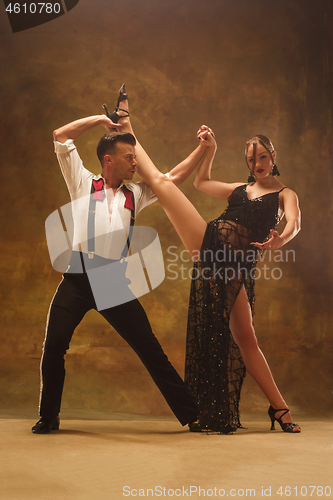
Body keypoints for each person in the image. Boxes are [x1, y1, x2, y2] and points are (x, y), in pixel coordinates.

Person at [117, 89, 301, 434]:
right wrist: (210, 150)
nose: (256, 164)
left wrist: (282, 239)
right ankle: (126, 126)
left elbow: (294, 222)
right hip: (211, 245)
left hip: (237, 267)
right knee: (159, 181)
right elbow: (201, 182)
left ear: (273, 155)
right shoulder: (240, 188)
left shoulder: (284, 194)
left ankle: (279, 408)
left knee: (246, 338)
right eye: (250, 160)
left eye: (261, 157)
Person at [32, 86, 211, 434]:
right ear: (109, 160)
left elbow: (170, 180)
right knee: (53, 346)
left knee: (150, 349)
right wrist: (100, 119)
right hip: (78, 278)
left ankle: (193, 415)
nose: (136, 162)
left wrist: (202, 149)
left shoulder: (135, 194)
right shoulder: (83, 182)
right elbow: (60, 135)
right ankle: (49, 417)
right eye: (130, 157)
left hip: (113, 280)